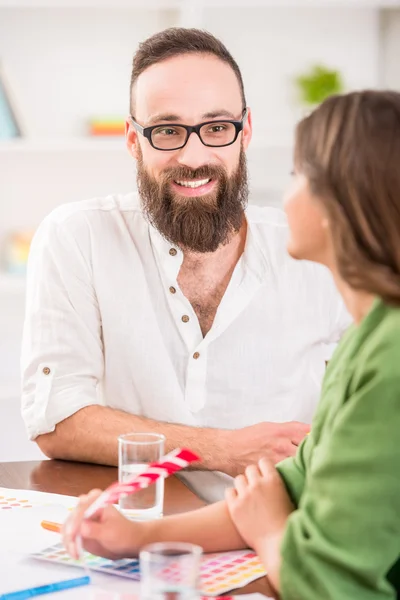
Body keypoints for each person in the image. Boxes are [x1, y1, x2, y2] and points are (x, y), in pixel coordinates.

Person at [64, 90, 400, 599]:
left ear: (342, 203)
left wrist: (269, 530)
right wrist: (137, 537)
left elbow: (331, 586)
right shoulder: (365, 342)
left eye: (297, 177)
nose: (285, 198)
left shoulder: (389, 363)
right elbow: (284, 488)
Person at [21, 28, 349, 503]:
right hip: (136, 527)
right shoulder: (78, 237)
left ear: (246, 131)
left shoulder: (318, 251)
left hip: (287, 529)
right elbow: (57, 419)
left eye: (217, 128)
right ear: (134, 141)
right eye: (168, 130)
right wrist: (222, 449)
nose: (194, 157)